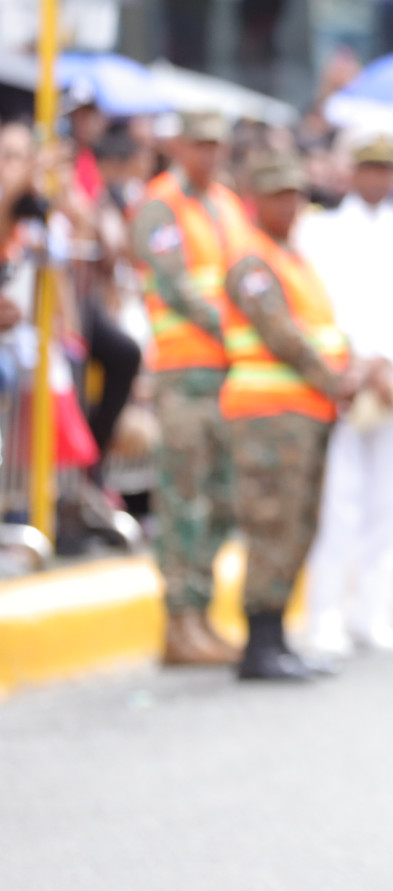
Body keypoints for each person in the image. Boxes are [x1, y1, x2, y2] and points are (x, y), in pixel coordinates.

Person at [297, 132, 393, 656]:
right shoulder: (319, 229)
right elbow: (317, 301)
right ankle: (326, 615)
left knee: (390, 502)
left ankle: (373, 612)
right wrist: (359, 362)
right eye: (370, 168)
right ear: (353, 172)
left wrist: (389, 360)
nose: (378, 178)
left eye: (387, 169)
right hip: (345, 378)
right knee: (337, 502)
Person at [221, 148, 363, 681]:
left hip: (305, 412)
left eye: (295, 195)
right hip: (269, 414)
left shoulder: (292, 258)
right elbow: (282, 335)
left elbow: (322, 330)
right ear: (255, 199)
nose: (290, 205)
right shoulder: (252, 261)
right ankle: (260, 644)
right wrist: (336, 379)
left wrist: (347, 369)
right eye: (278, 195)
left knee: (298, 524)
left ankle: (277, 637)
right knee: (271, 524)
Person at [129, 113, 249, 666]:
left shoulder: (227, 204)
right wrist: (238, 331)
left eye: (216, 145)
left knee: (222, 497)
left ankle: (201, 614)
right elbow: (174, 284)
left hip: (229, 372)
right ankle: (179, 621)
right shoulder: (160, 204)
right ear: (178, 146)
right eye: (200, 144)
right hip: (184, 372)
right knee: (184, 497)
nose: (210, 154)